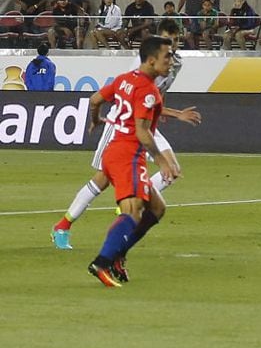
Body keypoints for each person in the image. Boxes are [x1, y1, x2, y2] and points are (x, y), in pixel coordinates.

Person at [51, 19, 202, 250]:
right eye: (168, 41)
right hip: (124, 126)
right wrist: (175, 114)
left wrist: (163, 111)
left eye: (176, 41)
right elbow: (136, 95)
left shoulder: (174, 63)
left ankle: (132, 202)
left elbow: (157, 95)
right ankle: (63, 226)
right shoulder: (143, 64)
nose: (172, 46)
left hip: (145, 125)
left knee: (171, 170)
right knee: (101, 180)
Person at [85, 36, 176, 287]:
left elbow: (94, 100)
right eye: (167, 56)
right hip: (128, 156)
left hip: (116, 151)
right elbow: (142, 132)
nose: (171, 61)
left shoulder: (124, 79)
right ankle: (102, 261)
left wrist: (95, 119)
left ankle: (118, 254)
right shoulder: (148, 91)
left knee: (157, 208)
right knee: (133, 211)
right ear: (150, 59)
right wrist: (162, 160)